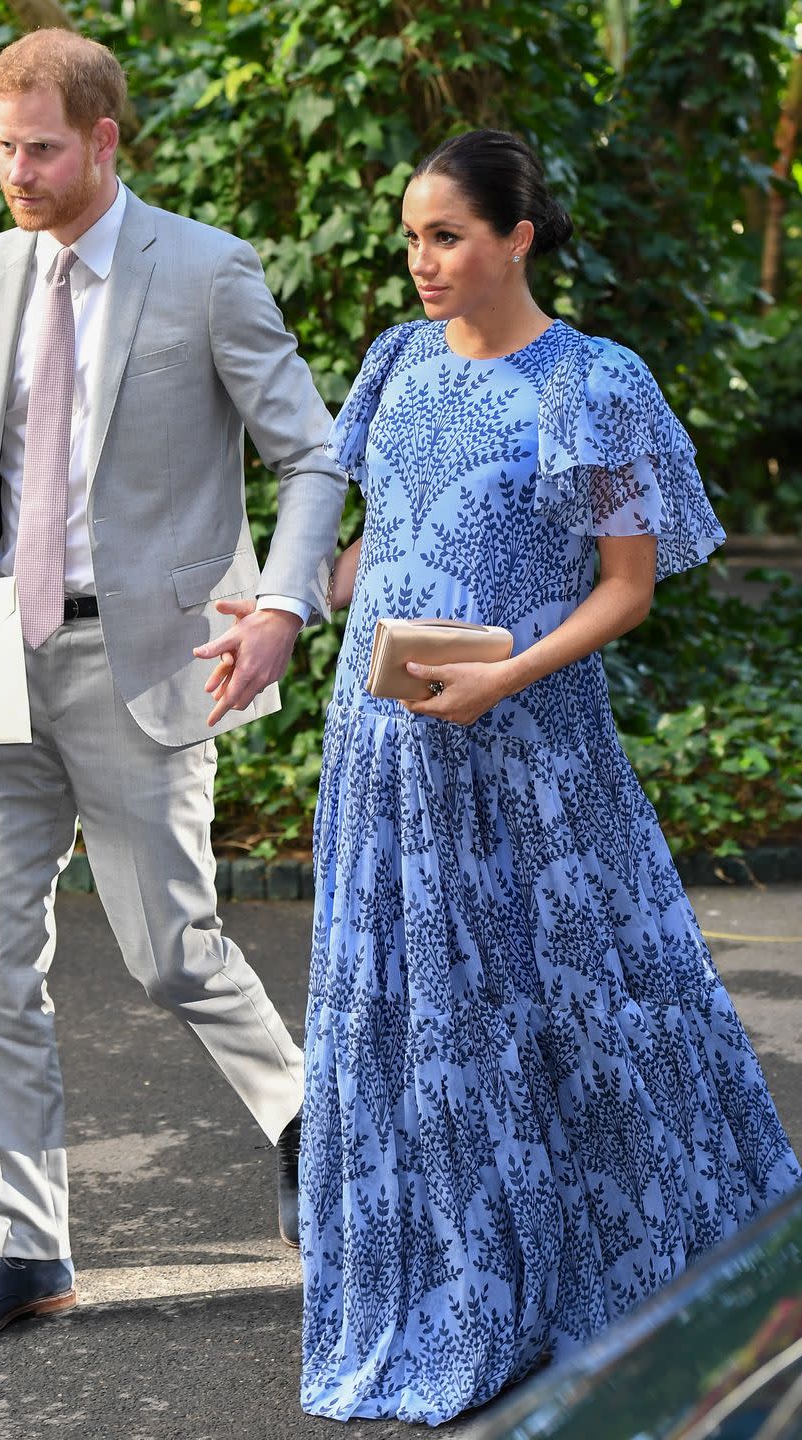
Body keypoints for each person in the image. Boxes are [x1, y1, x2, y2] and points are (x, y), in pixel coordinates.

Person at [296, 130, 802, 1424]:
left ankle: (650, 1290)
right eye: (409, 237)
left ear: (517, 237)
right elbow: (376, 537)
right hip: (386, 759)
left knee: (586, 1010)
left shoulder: (591, 382)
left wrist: (502, 676)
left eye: (445, 236)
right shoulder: (395, 364)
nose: (419, 261)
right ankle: (458, 1287)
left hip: (529, 753)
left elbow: (624, 590)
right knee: (416, 1027)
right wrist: (279, 607)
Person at [0, 28, 346, 1342]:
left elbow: (311, 454)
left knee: (168, 950)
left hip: (148, 653)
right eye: (3, 148)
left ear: (103, 140)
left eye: (42, 148)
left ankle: (302, 1114)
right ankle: (26, 1246)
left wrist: (279, 604)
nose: (18, 172)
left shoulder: (207, 272)